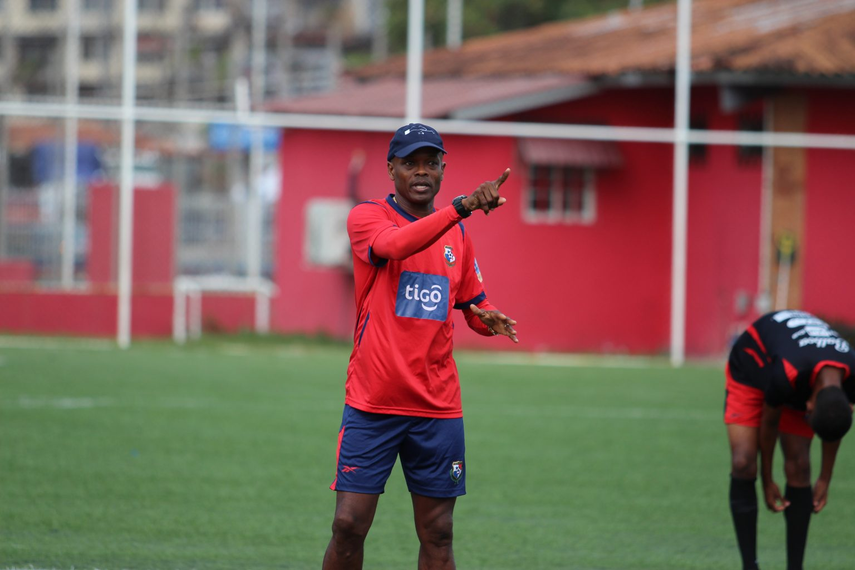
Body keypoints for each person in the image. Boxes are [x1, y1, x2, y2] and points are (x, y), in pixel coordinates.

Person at [322, 123, 519, 570]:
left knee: (439, 532)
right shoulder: (368, 217)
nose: (421, 171)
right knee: (348, 525)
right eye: (410, 162)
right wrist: (461, 207)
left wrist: (486, 319)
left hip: (437, 408)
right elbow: (393, 246)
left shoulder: (459, 237)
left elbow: (472, 303)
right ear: (391, 168)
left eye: (431, 162)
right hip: (374, 402)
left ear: (443, 168)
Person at [725, 309, 855, 570]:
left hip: (805, 375)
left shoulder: (852, 381)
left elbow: (836, 423)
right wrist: (767, 479)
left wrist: (824, 479)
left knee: (800, 467)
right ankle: (750, 566)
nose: (804, 414)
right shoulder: (786, 374)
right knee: (743, 462)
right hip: (751, 366)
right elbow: (770, 423)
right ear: (810, 404)